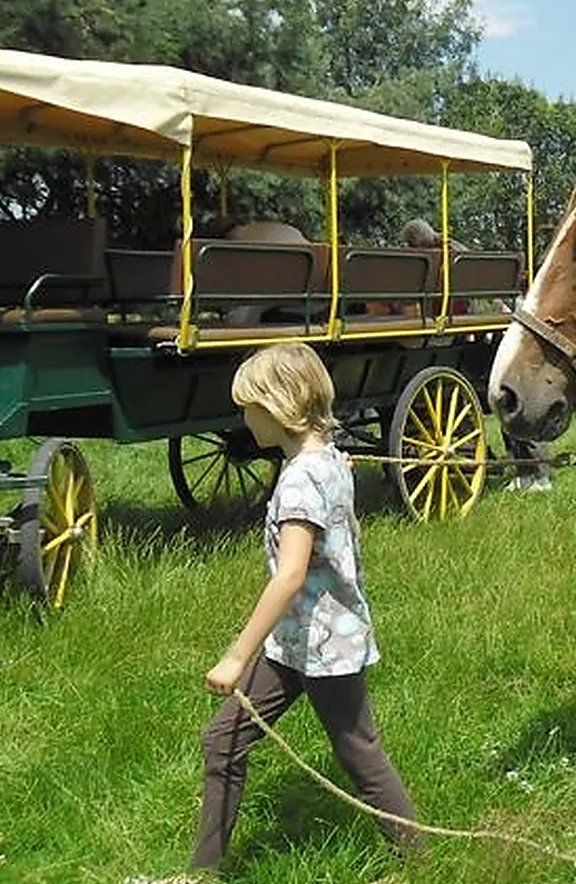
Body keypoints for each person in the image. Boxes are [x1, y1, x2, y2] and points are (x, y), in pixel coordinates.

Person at [131, 343, 420, 881]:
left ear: (278, 407)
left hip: (324, 647)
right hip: (294, 643)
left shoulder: (303, 479)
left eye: (249, 408)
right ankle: (204, 870)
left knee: (359, 752)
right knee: (224, 741)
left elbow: (289, 577)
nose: (243, 418)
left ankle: (420, 859)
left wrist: (236, 657)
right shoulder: (330, 459)